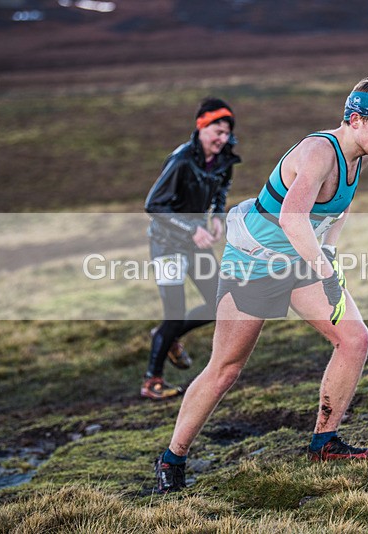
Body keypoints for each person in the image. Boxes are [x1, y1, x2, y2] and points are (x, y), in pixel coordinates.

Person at [154, 75, 368, 492]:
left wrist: (330, 258)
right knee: (226, 369)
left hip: (300, 260)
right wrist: (325, 272)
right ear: (356, 120)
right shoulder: (318, 151)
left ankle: (324, 443)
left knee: (355, 339)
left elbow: (336, 212)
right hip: (253, 264)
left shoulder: (359, 155)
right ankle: (171, 459)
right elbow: (292, 217)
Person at [141, 98, 241, 400]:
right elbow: (153, 205)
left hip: (195, 242)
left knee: (219, 302)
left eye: (226, 134)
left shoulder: (223, 159)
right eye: (216, 131)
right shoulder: (181, 161)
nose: (221, 139)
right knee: (174, 312)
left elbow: (221, 190)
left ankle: (167, 337)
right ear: (201, 127)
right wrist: (191, 229)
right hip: (167, 243)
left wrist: (218, 218)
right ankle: (152, 381)